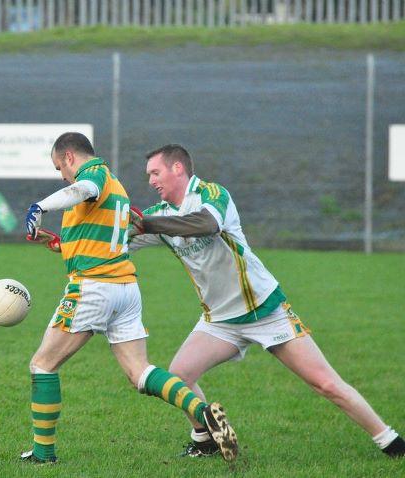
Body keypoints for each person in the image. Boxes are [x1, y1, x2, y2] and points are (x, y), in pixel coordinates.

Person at [128, 144, 405, 459]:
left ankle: (392, 442)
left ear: (177, 168)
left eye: (155, 172)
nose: (151, 180)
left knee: (326, 384)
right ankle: (205, 439)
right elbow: (116, 239)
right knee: (178, 377)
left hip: (265, 312)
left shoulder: (212, 194)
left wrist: (149, 224)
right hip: (219, 321)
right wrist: (85, 238)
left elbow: (207, 225)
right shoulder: (159, 214)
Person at [21, 132, 239, 465]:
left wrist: (41, 206)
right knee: (139, 373)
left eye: (59, 168)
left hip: (93, 287)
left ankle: (42, 454)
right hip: (125, 288)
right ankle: (204, 413)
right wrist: (55, 242)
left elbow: (82, 188)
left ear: (69, 157)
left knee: (42, 365)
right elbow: (97, 240)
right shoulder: (116, 188)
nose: (62, 176)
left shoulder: (94, 175)